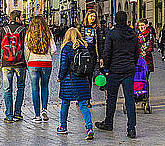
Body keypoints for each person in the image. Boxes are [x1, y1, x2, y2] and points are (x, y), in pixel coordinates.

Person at [95, 11, 140, 139]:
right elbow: (137, 52)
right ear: (126, 19)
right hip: (129, 70)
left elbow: (107, 52)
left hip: (115, 70)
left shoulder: (112, 33)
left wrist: (106, 68)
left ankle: (109, 123)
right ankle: (131, 128)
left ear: (115, 19)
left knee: (111, 98)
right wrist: (132, 64)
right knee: (129, 99)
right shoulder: (133, 34)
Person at [57, 28, 94, 140]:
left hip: (69, 80)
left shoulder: (67, 47)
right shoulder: (84, 46)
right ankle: (89, 128)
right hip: (82, 79)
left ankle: (63, 127)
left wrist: (60, 77)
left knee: (65, 103)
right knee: (83, 105)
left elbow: (64, 65)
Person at [0, 10, 27, 123]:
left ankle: (8, 115)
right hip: (20, 64)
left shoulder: (3, 30)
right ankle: (17, 113)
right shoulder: (23, 30)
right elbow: (26, 48)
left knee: (7, 89)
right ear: (17, 18)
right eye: (21, 17)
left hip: (6, 63)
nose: (22, 19)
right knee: (20, 87)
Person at [25, 15, 56, 123]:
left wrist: (28, 61)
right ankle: (45, 110)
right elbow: (54, 49)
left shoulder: (29, 34)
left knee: (34, 88)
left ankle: (37, 115)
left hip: (33, 62)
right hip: (46, 63)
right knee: (45, 86)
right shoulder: (48, 33)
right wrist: (48, 56)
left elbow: (26, 50)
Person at [80, 11, 104, 108]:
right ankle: (80, 98)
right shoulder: (82, 28)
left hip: (93, 54)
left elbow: (100, 43)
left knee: (89, 77)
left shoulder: (97, 29)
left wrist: (101, 57)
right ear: (87, 17)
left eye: (94, 16)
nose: (92, 18)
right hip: (83, 54)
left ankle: (87, 99)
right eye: (91, 16)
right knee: (82, 77)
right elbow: (79, 40)